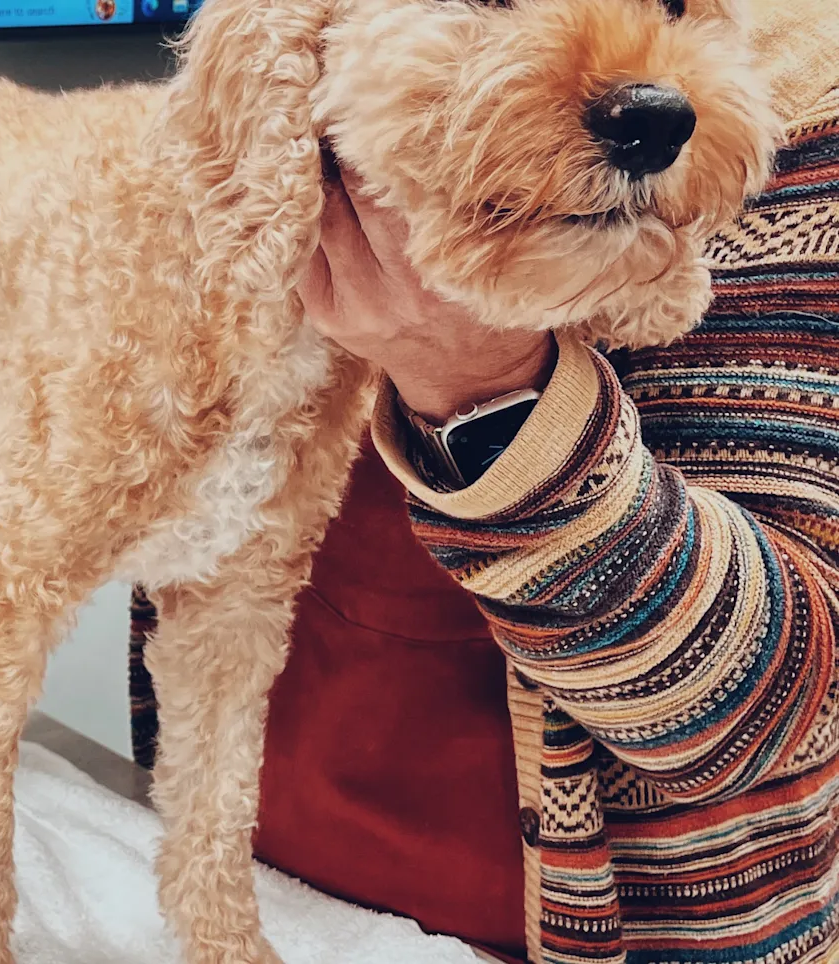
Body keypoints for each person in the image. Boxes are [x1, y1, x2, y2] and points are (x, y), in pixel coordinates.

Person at [126, 3, 839, 961]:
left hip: (602, 924)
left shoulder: (804, 135)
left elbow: (771, 711)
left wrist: (486, 381)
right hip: (251, 876)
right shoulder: (257, 86)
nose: (646, 84)